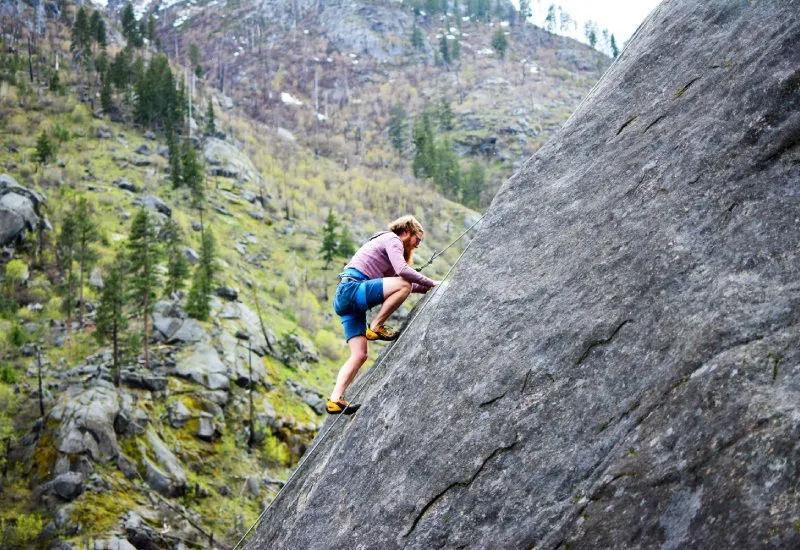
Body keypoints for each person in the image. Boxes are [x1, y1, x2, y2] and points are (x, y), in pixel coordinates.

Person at [326, 215, 439, 415]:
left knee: (360, 354)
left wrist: (429, 287)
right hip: (352, 290)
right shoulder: (392, 239)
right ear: (406, 232)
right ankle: (376, 326)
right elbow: (403, 273)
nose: (418, 246)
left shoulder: (383, 248)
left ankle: (335, 399)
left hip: (345, 299)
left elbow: (399, 283)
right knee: (403, 283)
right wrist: (429, 281)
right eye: (417, 240)